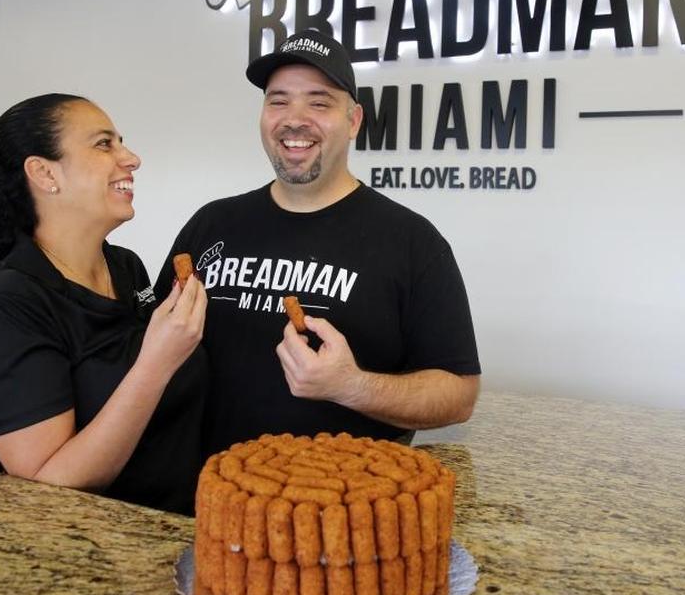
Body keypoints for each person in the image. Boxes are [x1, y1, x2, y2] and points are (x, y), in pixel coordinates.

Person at [155, 29, 481, 462]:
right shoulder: (212, 224)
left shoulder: (412, 242)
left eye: (319, 101)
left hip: (338, 510)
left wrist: (352, 386)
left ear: (354, 121)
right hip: (206, 501)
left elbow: (459, 394)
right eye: (278, 100)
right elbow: (153, 343)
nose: (294, 118)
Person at [0, 93, 208, 515]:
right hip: (87, 557)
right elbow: (49, 484)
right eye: (104, 144)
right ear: (45, 173)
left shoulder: (128, 269)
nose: (132, 158)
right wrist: (157, 362)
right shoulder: (9, 305)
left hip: (173, 537)